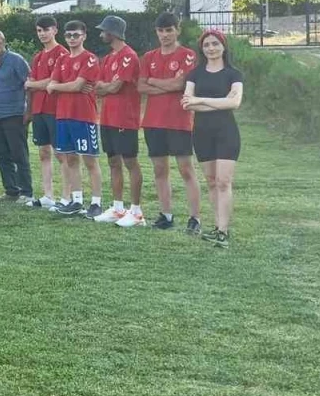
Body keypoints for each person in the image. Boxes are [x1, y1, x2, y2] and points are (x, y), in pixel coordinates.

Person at [140, 13, 202, 232]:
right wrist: (165, 85)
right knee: (159, 169)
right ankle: (166, 215)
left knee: (186, 169)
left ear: (178, 30)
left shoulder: (188, 55)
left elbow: (180, 84)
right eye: (161, 30)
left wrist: (153, 81)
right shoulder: (149, 57)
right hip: (153, 121)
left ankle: (195, 218)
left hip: (179, 120)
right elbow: (140, 86)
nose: (164, 35)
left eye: (169, 30)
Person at [182, 29, 244, 248]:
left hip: (226, 132)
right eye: (207, 44)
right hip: (202, 133)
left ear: (223, 46)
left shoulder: (233, 74)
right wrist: (219, 102)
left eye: (215, 43)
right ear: (202, 48)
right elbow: (187, 103)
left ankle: (224, 232)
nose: (211, 48)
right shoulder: (194, 74)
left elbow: (234, 103)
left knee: (223, 181)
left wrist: (200, 100)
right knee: (211, 181)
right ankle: (217, 226)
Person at [47, 20, 103, 218]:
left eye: (76, 35)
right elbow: (51, 86)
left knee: (90, 160)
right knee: (70, 158)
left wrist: (60, 86)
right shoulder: (62, 60)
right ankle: (77, 200)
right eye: (69, 35)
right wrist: (65, 86)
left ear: (84, 36)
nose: (72, 38)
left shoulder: (90, 58)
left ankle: (96, 202)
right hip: (63, 115)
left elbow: (76, 85)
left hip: (84, 116)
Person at [93, 16, 145, 226]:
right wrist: (107, 86)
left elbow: (115, 87)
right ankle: (117, 208)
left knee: (130, 162)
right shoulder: (107, 58)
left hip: (125, 117)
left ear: (112, 33)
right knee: (113, 161)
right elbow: (98, 86)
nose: (101, 34)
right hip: (107, 117)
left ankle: (137, 212)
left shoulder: (129, 56)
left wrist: (107, 87)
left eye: (103, 31)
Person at [24, 16, 68, 210]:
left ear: (55, 30)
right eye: (39, 30)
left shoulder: (62, 53)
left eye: (46, 30)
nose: (42, 34)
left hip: (55, 109)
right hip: (38, 109)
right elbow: (34, 83)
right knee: (43, 152)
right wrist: (35, 86)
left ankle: (66, 197)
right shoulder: (38, 57)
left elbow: (53, 82)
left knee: (61, 153)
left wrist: (33, 84)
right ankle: (48, 195)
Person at [0, 30, 33, 201]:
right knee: (3, 156)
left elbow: (30, 85)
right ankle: (11, 191)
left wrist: (29, 111)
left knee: (19, 154)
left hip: (14, 114)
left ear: (3, 41)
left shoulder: (16, 60)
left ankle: (26, 192)